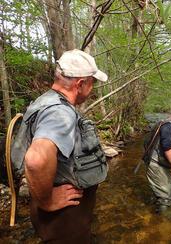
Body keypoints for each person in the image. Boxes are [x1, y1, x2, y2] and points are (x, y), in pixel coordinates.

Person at [23, 49, 108, 243]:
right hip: (64, 219)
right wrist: (47, 201)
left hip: (56, 217)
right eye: (92, 82)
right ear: (80, 84)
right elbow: (36, 159)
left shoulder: (45, 101)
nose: (93, 87)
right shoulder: (60, 113)